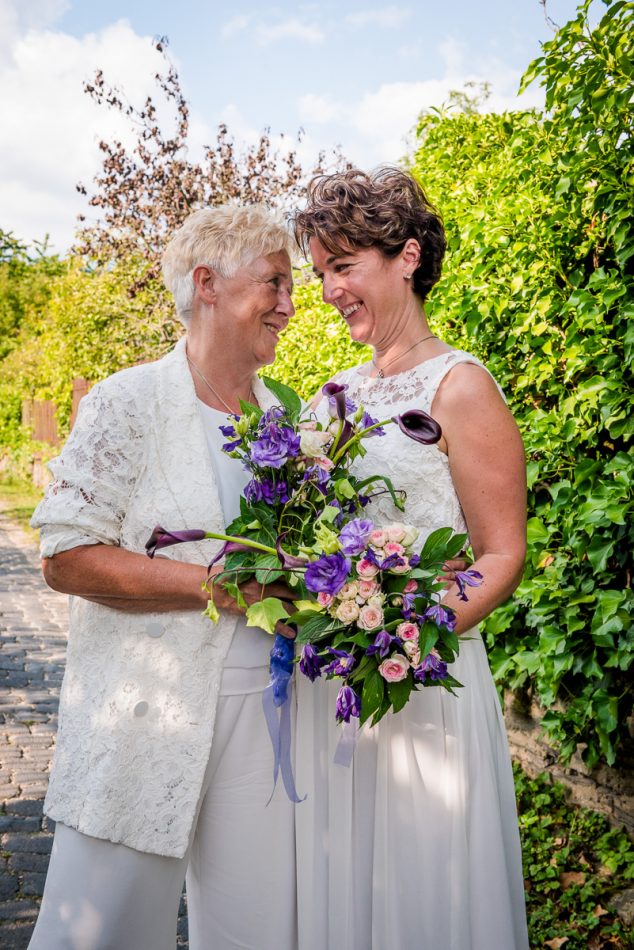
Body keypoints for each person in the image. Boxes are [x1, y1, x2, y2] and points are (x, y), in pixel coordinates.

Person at [28, 205, 299, 950]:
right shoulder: (128, 402)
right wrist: (211, 587)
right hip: (143, 717)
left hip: (268, 719)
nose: (290, 304)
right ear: (207, 284)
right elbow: (65, 556)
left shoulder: (283, 417)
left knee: (258, 928)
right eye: (274, 283)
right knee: (101, 930)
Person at [293, 167, 530, 950]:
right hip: (338, 694)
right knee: (351, 887)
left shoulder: (461, 388)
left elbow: (501, 554)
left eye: (344, 266)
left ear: (406, 256)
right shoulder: (332, 397)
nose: (328, 289)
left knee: (428, 891)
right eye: (322, 271)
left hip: (425, 687)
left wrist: (401, 646)